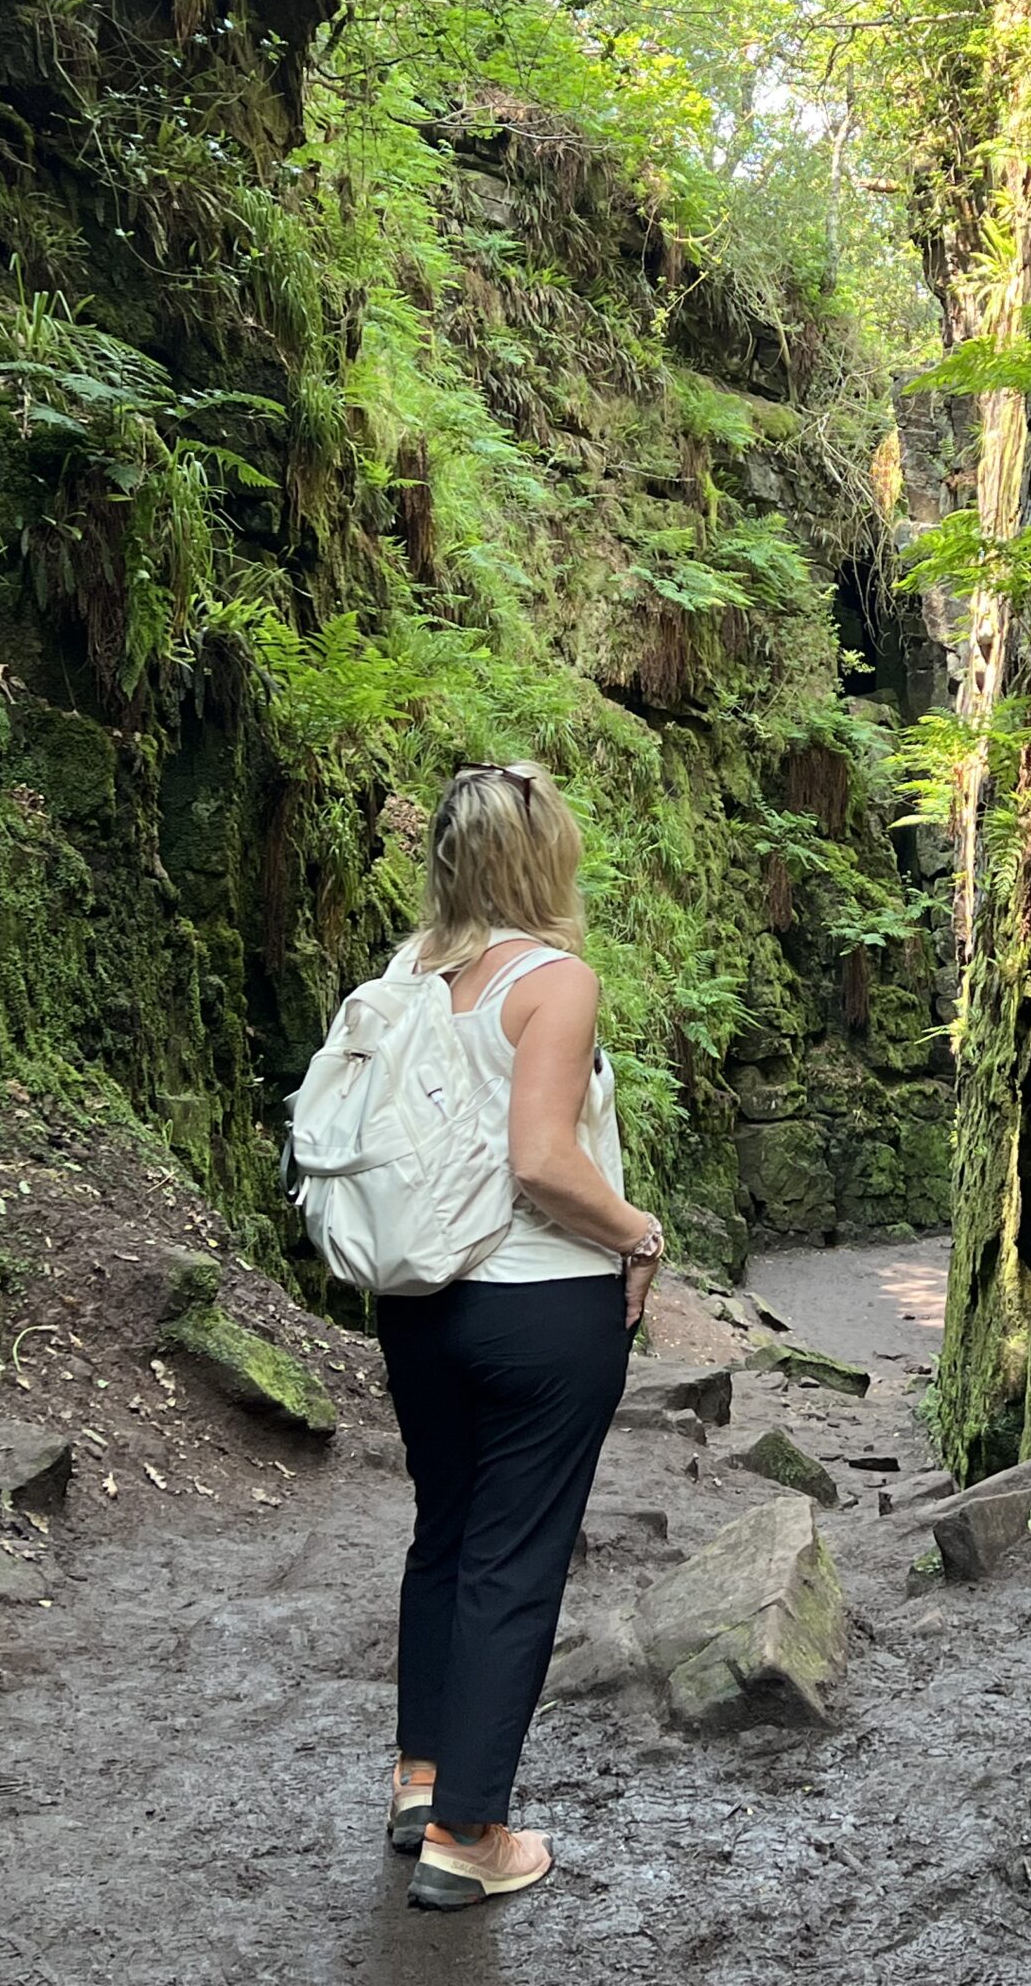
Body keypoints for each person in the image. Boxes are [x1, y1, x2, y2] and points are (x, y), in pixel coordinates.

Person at [374, 760, 664, 1913]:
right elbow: (541, 1159)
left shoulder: (406, 974)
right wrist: (638, 1233)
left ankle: (421, 1778)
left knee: (443, 1535)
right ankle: (469, 1836)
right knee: (514, 1559)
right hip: (537, 1310)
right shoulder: (553, 980)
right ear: (544, 860)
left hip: (417, 1304)